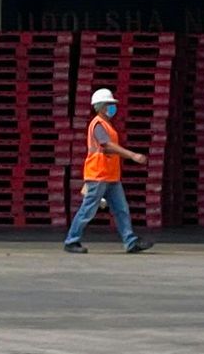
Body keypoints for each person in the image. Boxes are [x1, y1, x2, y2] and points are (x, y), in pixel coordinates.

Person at [64, 86, 153, 254]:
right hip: (98, 175)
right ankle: (71, 240)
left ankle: (130, 241)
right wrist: (132, 155)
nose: (112, 108)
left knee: (121, 209)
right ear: (102, 106)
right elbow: (107, 146)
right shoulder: (98, 124)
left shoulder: (106, 125)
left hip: (110, 175)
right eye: (109, 104)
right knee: (88, 209)